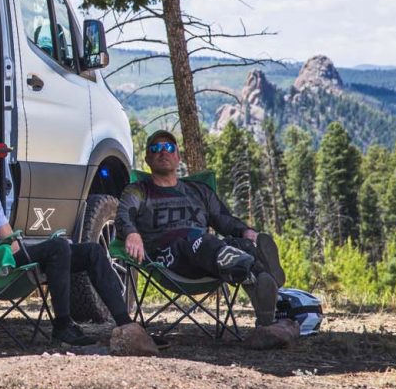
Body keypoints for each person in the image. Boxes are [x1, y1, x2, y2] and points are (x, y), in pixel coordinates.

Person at [0, 130, 157, 354]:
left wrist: (29, 252)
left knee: (92, 251)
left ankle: (127, 326)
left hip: (6, 258)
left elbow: (12, 243)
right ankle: (63, 326)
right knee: (58, 247)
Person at [116, 129, 295, 348]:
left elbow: (223, 219)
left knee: (240, 244)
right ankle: (254, 269)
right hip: (169, 258)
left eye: (169, 147)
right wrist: (132, 233)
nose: (163, 152)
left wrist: (246, 231)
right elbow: (123, 215)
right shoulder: (138, 191)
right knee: (200, 240)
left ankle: (264, 312)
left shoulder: (198, 191)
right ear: (147, 159)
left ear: (178, 157)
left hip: (208, 258)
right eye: (156, 148)